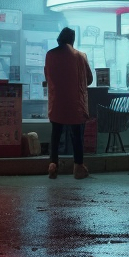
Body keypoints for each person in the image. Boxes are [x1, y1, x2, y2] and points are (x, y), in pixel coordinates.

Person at [43, 26, 93, 179]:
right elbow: (89, 79)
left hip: (57, 102)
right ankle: (78, 167)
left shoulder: (50, 55)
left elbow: (47, 75)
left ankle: (53, 164)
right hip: (75, 104)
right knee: (77, 135)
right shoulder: (81, 56)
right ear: (73, 40)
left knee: (56, 134)